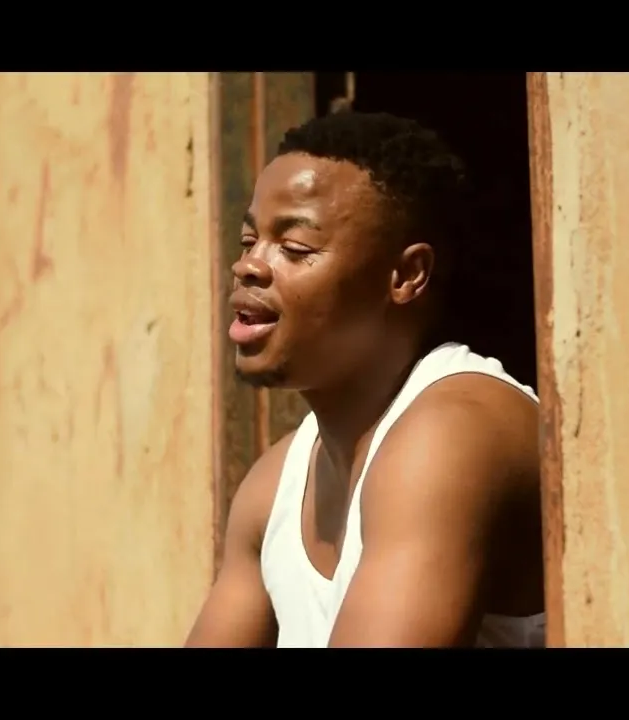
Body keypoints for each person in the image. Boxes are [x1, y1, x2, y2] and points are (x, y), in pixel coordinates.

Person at [185, 111, 545, 648]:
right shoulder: (275, 485)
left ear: (406, 275)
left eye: (294, 248)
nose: (250, 266)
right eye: (248, 239)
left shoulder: (453, 434)